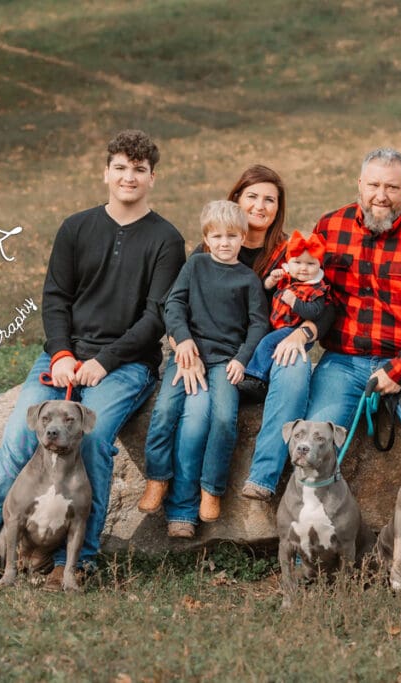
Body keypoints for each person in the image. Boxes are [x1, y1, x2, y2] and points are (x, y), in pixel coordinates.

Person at [0, 130, 186, 588]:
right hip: (62, 359)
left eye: (139, 170)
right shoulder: (76, 227)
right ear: (105, 172)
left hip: (125, 366)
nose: (129, 177)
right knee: (18, 443)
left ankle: (77, 561)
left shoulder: (166, 239)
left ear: (152, 178)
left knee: (95, 437)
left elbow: (157, 315)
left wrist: (105, 360)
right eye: (120, 167)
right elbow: (55, 298)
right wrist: (63, 352)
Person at [249, 146, 401, 574]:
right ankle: (303, 554)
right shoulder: (330, 227)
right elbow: (319, 296)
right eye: (373, 185)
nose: (381, 195)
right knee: (312, 438)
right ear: (359, 185)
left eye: (391, 187)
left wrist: (398, 370)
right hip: (343, 360)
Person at [137, 200, 269, 538]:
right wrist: (182, 340)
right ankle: (157, 478)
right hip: (187, 356)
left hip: (225, 363)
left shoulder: (248, 280)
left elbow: (258, 325)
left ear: (243, 237)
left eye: (232, 236)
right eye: (217, 236)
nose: (224, 243)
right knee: (166, 409)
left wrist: (242, 358)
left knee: (224, 418)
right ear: (206, 239)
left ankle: (211, 488)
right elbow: (175, 304)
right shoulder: (194, 266)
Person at [238, 229, 329, 401]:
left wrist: (294, 302)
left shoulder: (316, 287)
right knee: (262, 341)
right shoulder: (288, 276)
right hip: (278, 324)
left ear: (319, 265)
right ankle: (262, 372)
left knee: (267, 343)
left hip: (294, 328)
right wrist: (272, 279)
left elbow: (315, 313)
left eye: (310, 264)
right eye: (298, 262)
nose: (303, 268)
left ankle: (256, 378)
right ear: (289, 261)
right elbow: (266, 287)